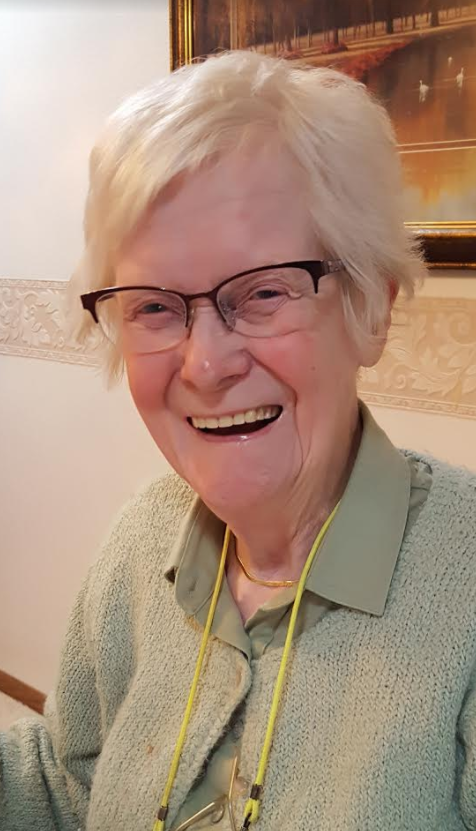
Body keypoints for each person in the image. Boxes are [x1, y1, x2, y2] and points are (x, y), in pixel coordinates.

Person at [1, 50, 476, 831]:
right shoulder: (143, 539)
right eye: (154, 306)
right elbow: (69, 780)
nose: (207, 364)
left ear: (372, 309)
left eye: (262, 291)